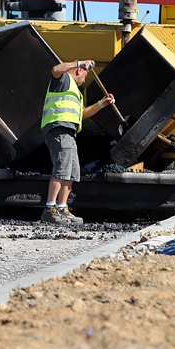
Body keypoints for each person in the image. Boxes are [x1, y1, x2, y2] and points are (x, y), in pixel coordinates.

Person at [40, 59, 115, 225]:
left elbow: (82, 114)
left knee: (71, 171)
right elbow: (55, 68)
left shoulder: (77, 93)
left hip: (70, 131)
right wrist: (79, 62)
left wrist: (102, 104)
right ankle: (49, 209)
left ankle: (62, 208)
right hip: (59, 128)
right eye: (85, 74)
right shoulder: (63, 80)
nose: (85, 78)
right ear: (79, 70)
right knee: (61, 168)